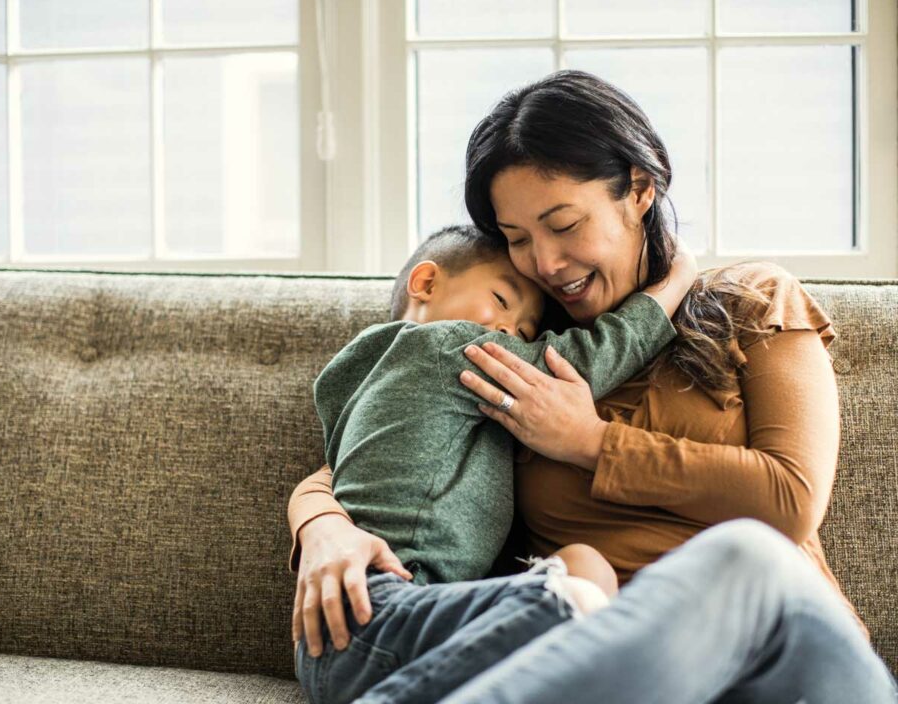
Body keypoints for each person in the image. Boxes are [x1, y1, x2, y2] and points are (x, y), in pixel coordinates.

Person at [289, 70, 898, 702]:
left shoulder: (752, 299)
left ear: (638, 189)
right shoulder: (527, 347)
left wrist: (588, 441)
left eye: (564, 224)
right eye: (519, 240)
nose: (545, 264)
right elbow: (372, 446)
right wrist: (323, 528)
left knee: (746, 554)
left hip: (786, 662)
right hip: (607, 678)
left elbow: (790, 500)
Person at [296, 223, 695, 703]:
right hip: (382, 610)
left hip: (350, 634)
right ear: (426, 283)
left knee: (578, 570)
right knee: (580, 588)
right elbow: (584, 362)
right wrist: (673, 282)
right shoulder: (445, 347)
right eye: (503, 302)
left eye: (526, 331)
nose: (511, 332)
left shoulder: (360, 381)